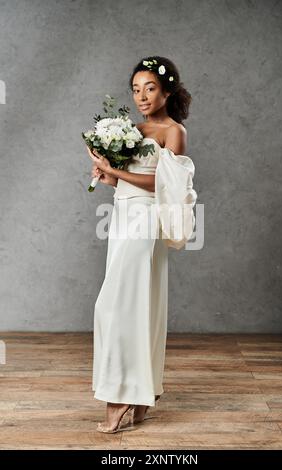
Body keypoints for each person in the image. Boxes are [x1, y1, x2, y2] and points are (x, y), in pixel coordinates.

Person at [87, 56, 194, 433]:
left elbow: (168, 185)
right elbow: (129, 182)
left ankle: (119, 399)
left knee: (120, 304)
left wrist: (116, 170)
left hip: (146, 224)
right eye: (136, 89)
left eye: (149, 88)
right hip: (122, 220)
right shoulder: (131, 130)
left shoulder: (173, 132)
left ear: (166, 90)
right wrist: (107, 175)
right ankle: (142, 393)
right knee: (133, 303)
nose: (142, 96)